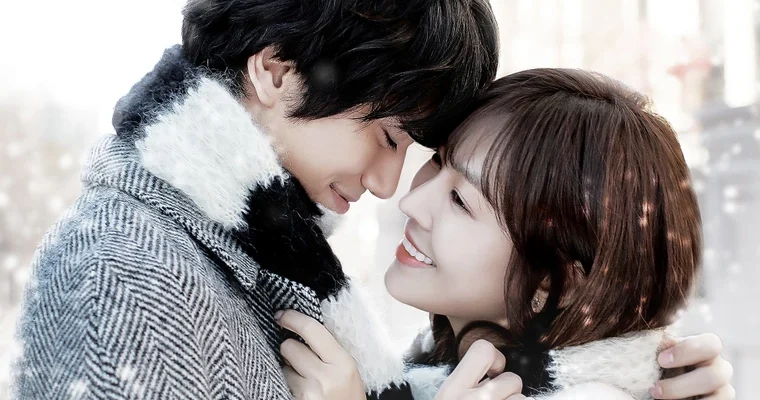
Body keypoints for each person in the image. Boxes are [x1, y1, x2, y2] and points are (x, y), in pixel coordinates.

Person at [11, 0, 498, 398]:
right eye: (388, 138)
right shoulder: (126, 278)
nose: (387, 185)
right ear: (276, 71)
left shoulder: (271, 252)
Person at [277, 69, 736, 399]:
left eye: (461, 201)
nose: (411, 202)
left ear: (557, 281)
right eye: (438, 162)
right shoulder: (433, 371)